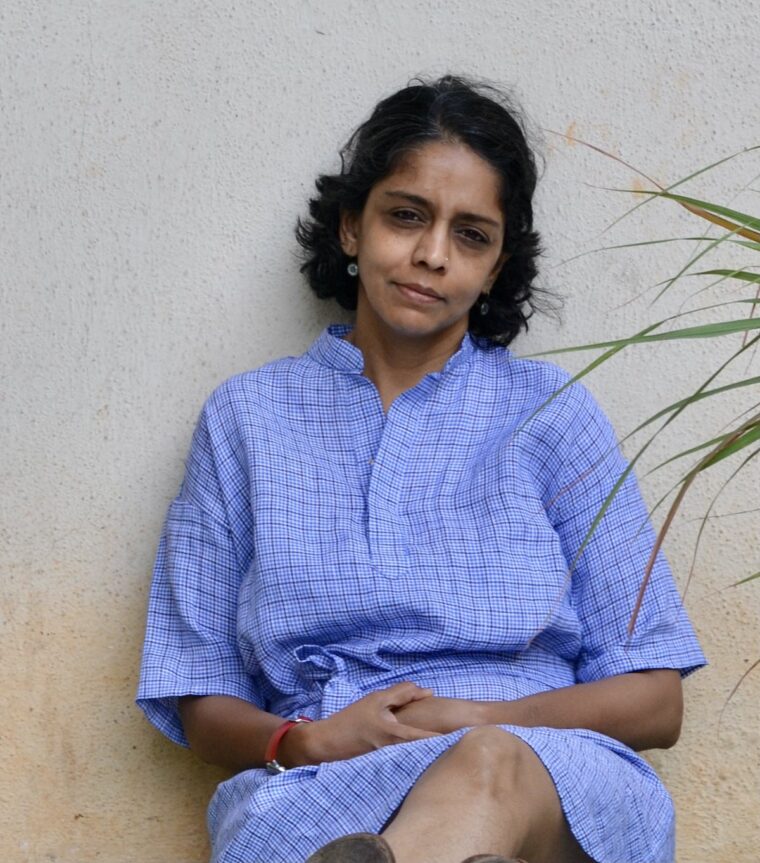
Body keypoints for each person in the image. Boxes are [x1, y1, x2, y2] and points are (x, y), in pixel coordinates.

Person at [136, 75, 706, 863]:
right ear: (350, 228)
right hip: (323, 781)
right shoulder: (247, 419)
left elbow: (655, 697)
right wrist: (306, 739)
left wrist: (480, 720)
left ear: (500, 262)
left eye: (471, 234)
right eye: (406, 216)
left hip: (550, 776)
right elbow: (200, 699)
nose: (432, 254)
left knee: (488, 763)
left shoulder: (554, 414)